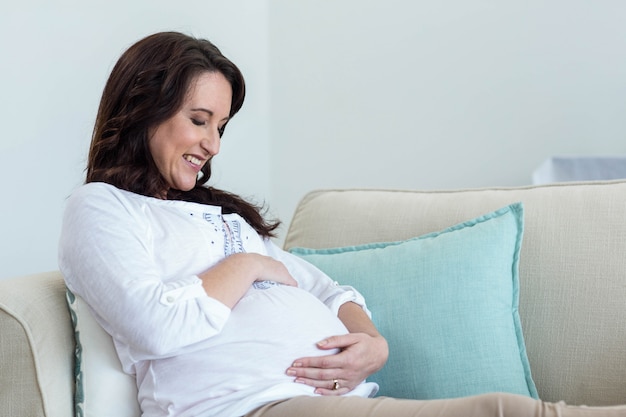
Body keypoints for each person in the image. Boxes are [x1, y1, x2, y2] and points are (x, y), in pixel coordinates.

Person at [58, 31, 626, 417]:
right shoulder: (103, 209)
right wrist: (250, 263)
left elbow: (325, 287)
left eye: (222, 127)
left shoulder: (219, 215)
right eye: (199, 120)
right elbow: (156, 327)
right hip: (251, 405)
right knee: (499, 412)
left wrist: (372, 344)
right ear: (142, 108)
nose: (211, 144)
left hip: (335, 400)